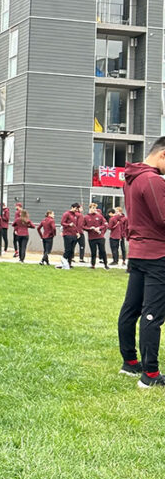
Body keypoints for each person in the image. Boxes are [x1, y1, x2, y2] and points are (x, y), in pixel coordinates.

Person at [117, 137, 165, 386]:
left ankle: (130, 362)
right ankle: (151, 375)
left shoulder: (132, 179)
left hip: (137, 251)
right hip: (157, 253)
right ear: (163, 155)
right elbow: (162, 219)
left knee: (132, 309)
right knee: (152, 314)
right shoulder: (152, 179)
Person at [84, 202, 109, 269]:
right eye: (93, 208)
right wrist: (90, 228)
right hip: (91, 238)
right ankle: (93, 265)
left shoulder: (100, 216)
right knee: (93, 252)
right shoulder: (86, 217)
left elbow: (105, 224)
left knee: (102, 251)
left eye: (95, 208)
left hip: (100, 237)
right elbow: (83, 226)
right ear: (90, 208)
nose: (94, 209)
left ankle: (106, 264)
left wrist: (99, 228)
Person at [58, 203, 83, 269]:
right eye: (76, 208)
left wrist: (77, 232)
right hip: (67, 234)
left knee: (72, 250)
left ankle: (69, 263)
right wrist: (69, 224)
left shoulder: (75, 215)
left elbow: (75, 225)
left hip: (74, 234)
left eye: (77, 209)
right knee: (68, 250)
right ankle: (63, 262)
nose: (76, 210)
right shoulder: (66, 214)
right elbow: (62, 223)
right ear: (72, 207)